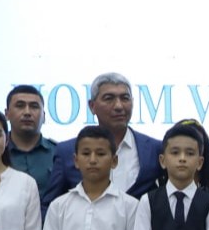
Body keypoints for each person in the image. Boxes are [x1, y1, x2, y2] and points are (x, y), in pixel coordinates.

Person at [43, 72, 164, 205]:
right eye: (109, 98)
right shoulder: (67, 151)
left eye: (125, 98)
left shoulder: (154, 149)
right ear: (92, 106)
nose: (119, 106)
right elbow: (50, 204)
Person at [4, 84, 59, 212]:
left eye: (34, 107)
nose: (27, 112)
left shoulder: (58, 153)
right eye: (20, 106)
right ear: (7, 114)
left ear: (44, 116)